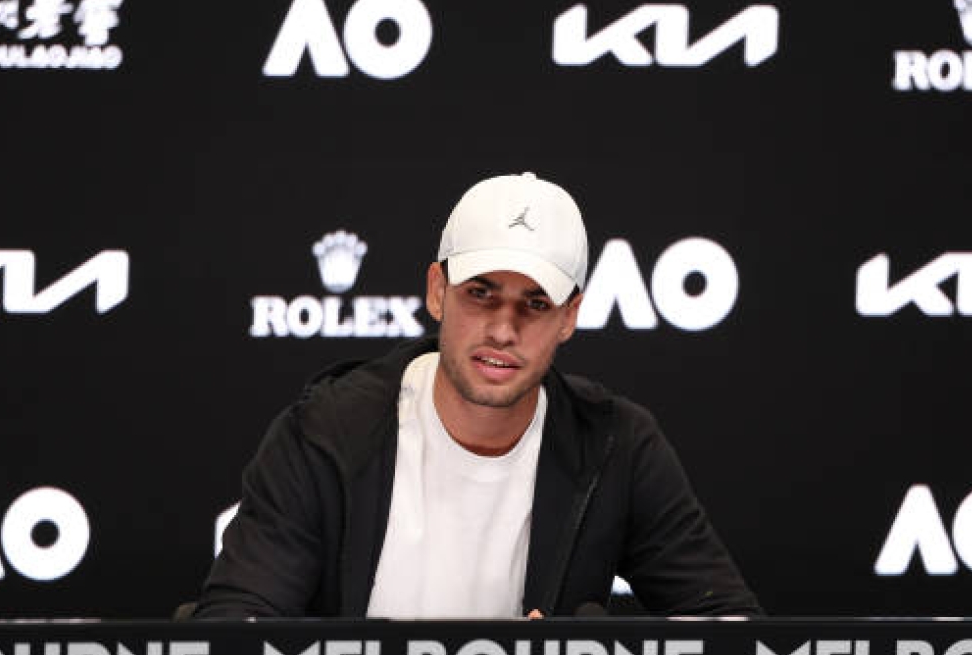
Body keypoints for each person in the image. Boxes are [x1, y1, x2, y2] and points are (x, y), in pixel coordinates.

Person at [193, 172, 762, 618]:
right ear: (437, 292)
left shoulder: (618, 445)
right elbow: (237, 622)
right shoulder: (326, 432)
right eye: (481, 294)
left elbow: (728, 627)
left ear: (569, 318)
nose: (502, 329)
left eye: (534, 304)